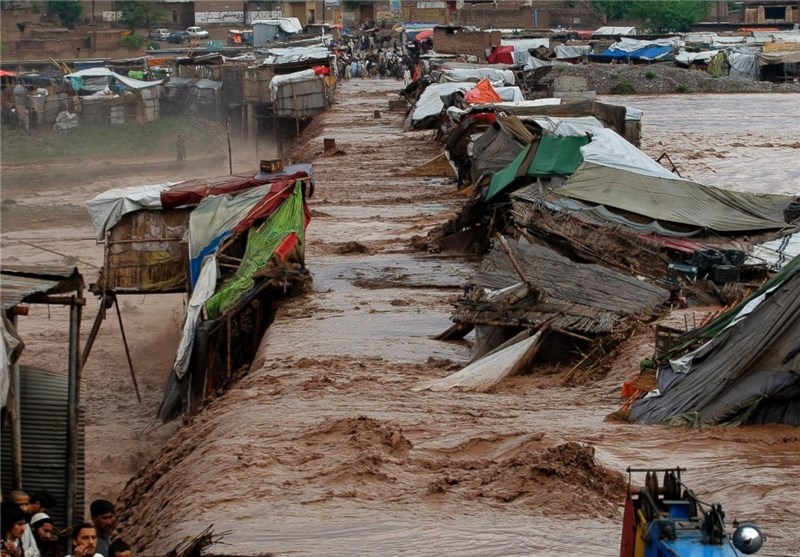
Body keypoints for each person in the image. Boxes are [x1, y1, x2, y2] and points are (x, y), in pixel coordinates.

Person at [8, 491, 40, 557]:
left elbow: (36, 552)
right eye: (20, 505)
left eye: (26, 504)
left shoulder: (25, 524)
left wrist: (22, 554)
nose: (24, 508)